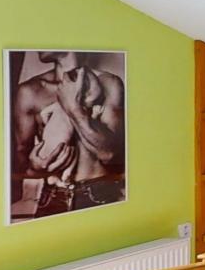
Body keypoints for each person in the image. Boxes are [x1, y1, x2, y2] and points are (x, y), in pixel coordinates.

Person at [12, 52, 125, 216]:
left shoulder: (109, 84)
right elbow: (19, 166)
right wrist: (35, 169)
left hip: (100, 195)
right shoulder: (30, 92)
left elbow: (111, 155)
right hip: (52, 197)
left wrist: (73, 108)